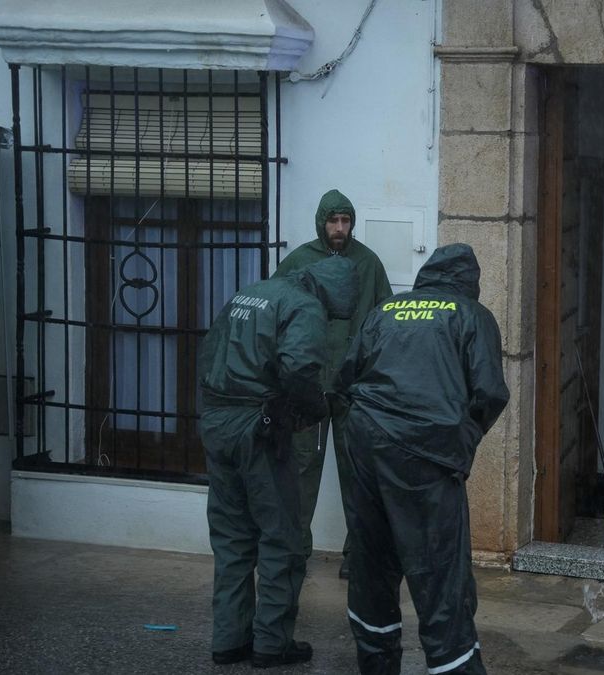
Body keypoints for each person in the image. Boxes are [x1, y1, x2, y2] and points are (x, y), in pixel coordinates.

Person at [336, 243, 509, 675]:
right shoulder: (471, 316)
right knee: (438, 569)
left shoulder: (386, 310)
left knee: (371, 558)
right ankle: (455, 667)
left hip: (365, 438)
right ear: (470, 283)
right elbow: (489, 393)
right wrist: (460, 441)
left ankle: (376, 664)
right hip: (425, 451)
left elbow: (345, 374)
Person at [197, 255, 362, 668]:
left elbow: (207, 355)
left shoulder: (250, 293)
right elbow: (299, 371)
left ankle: (229, 640)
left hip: (217, 422)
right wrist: (318, 409)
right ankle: (272, 643)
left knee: (233, 537)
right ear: (330, 293)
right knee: (281, 536)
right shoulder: (303, 305)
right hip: (259, 429)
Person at [273, 188, 392, 579]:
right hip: (306, 385)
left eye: (345, 221)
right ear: (321, 222)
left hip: (352, 387)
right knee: (301, 466)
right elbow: (275, 312)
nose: (340, 228)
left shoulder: (368, 263)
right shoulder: (299, 262)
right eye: (333, 220)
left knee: (357, 469)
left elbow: (384, 321)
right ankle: (295, 549)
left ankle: (357, 552)